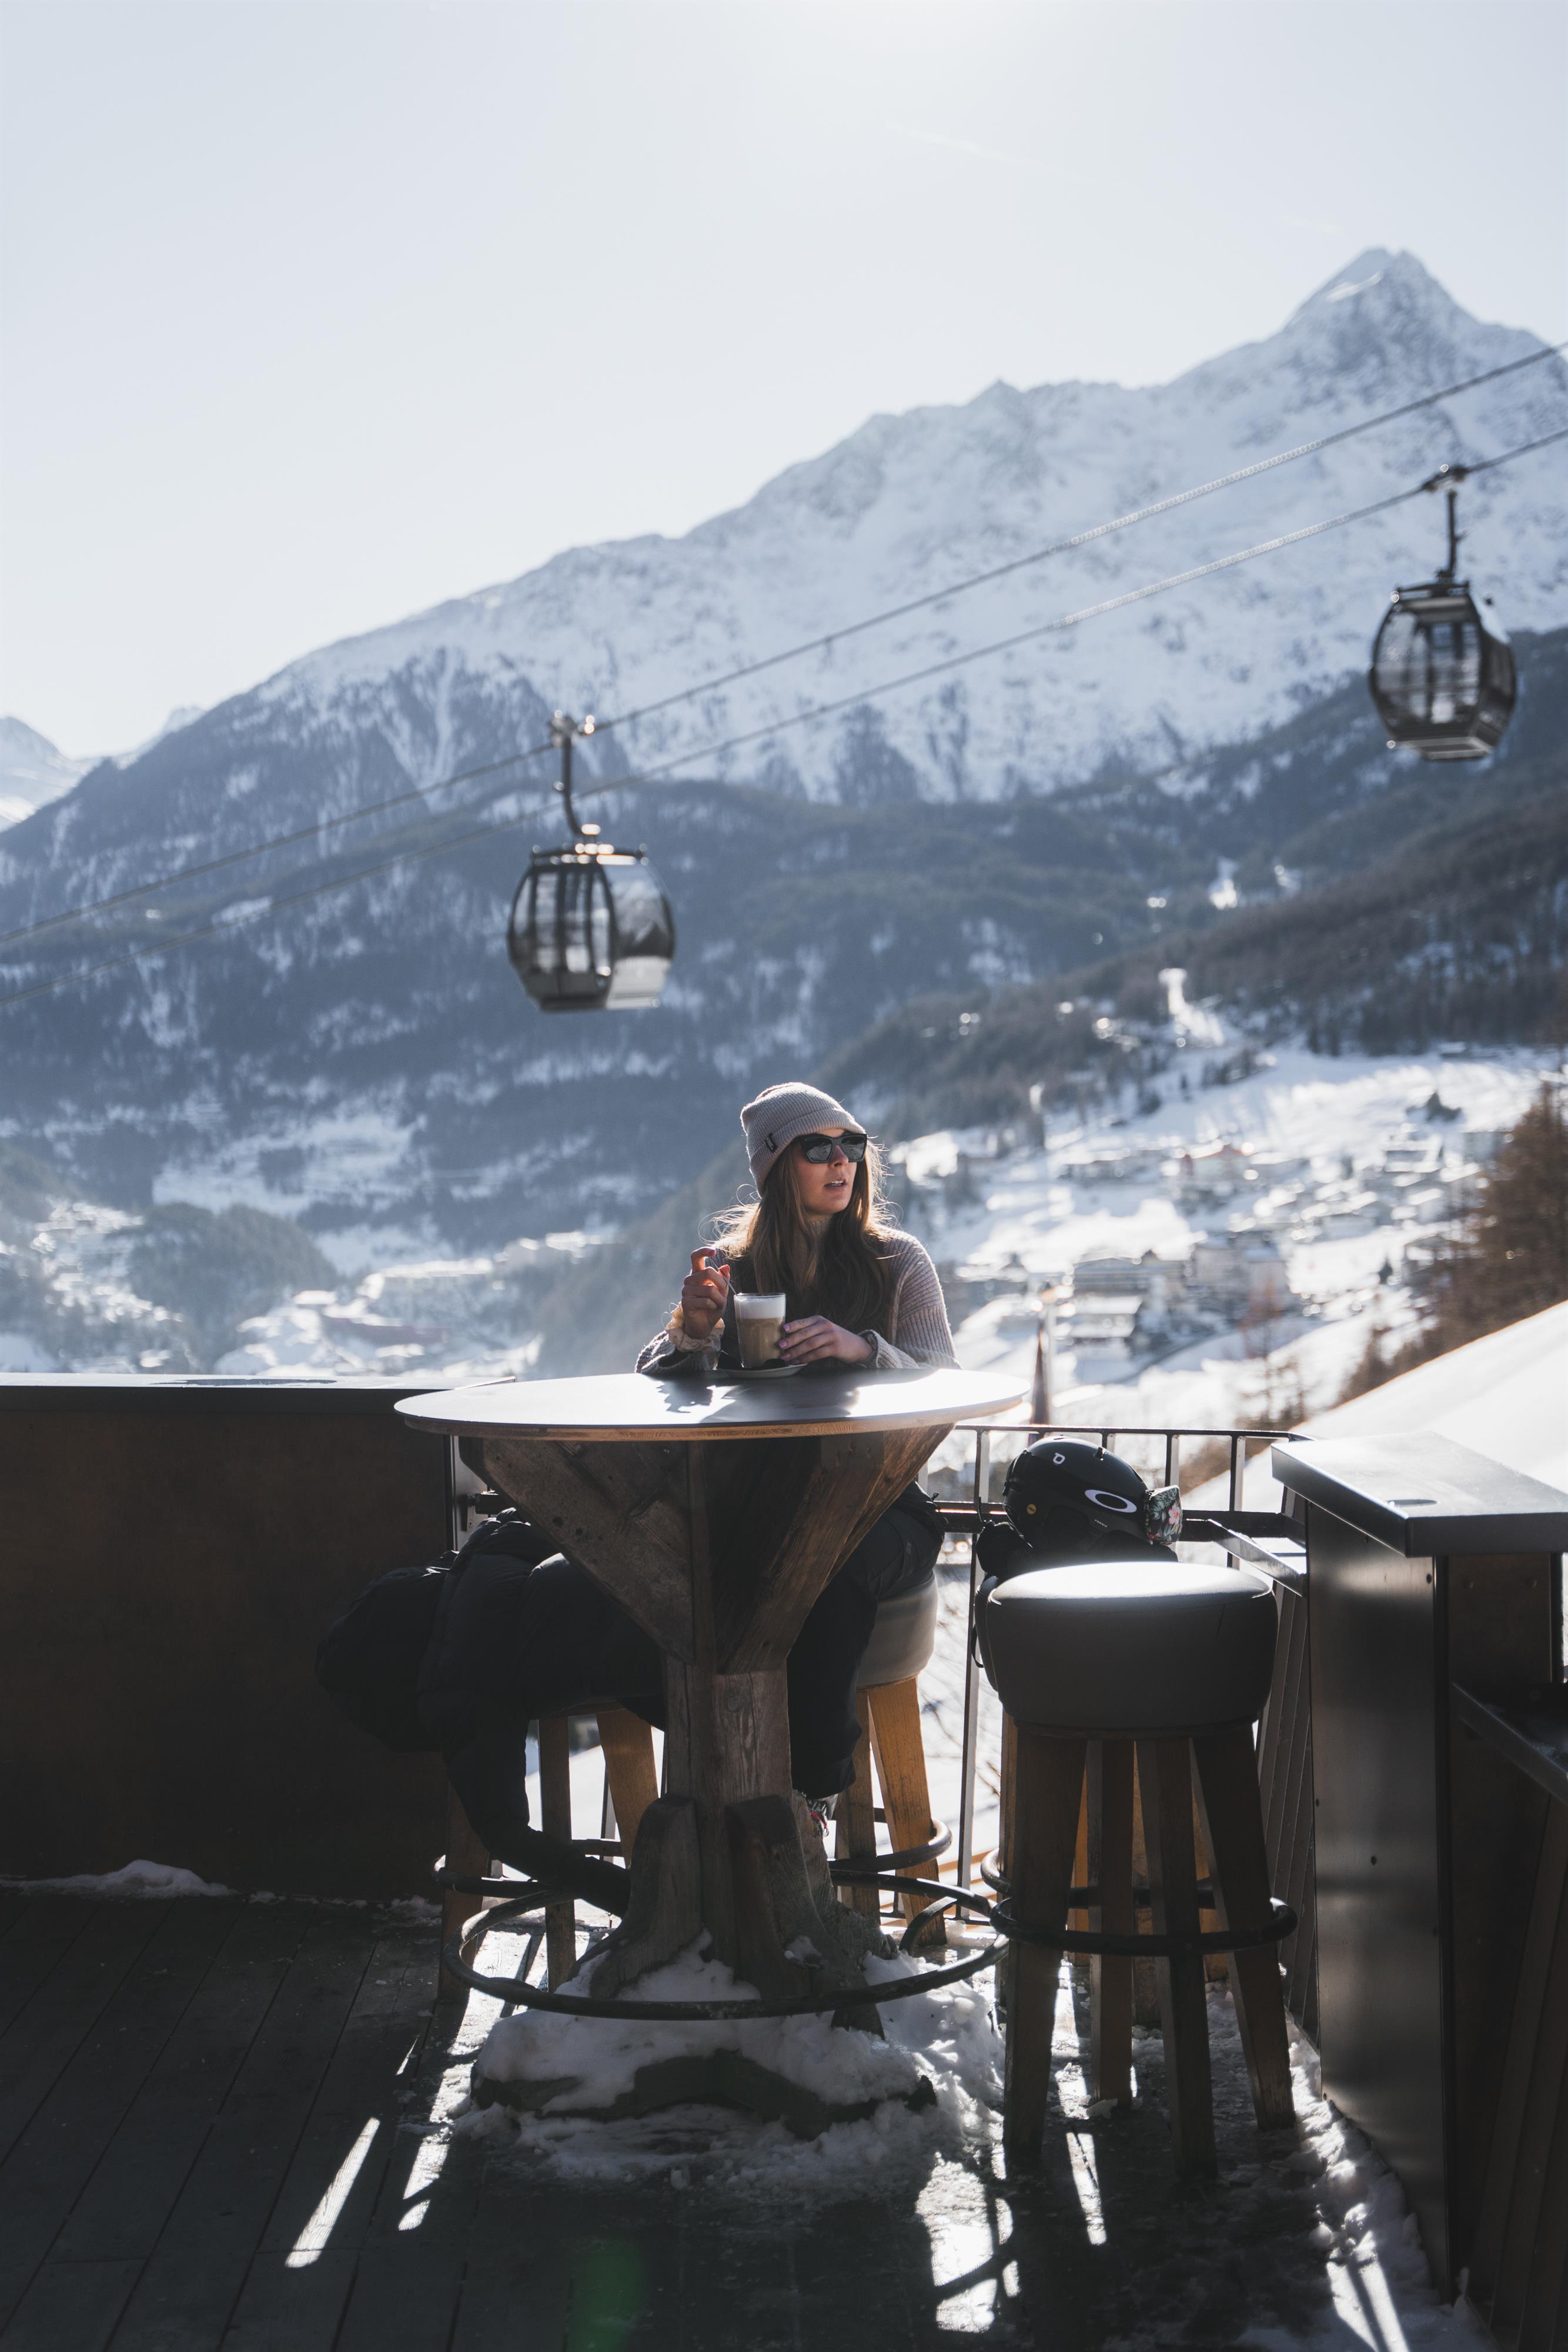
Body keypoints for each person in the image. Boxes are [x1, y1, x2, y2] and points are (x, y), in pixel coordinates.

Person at [637, 1080, 957, 1806]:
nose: (842, 1161)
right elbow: (655, 1382)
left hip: (882, 1505)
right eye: (818, 1148)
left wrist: (865, 1349)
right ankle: (720, 1786)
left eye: (853, 1145)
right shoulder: (732, 1268)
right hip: (759, 1500)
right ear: (777, 1166)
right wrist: (693, 1331)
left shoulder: (897, 1261)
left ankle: (812, 1797)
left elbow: (946, 1384)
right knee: (674, 1571)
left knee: (824, 1566)